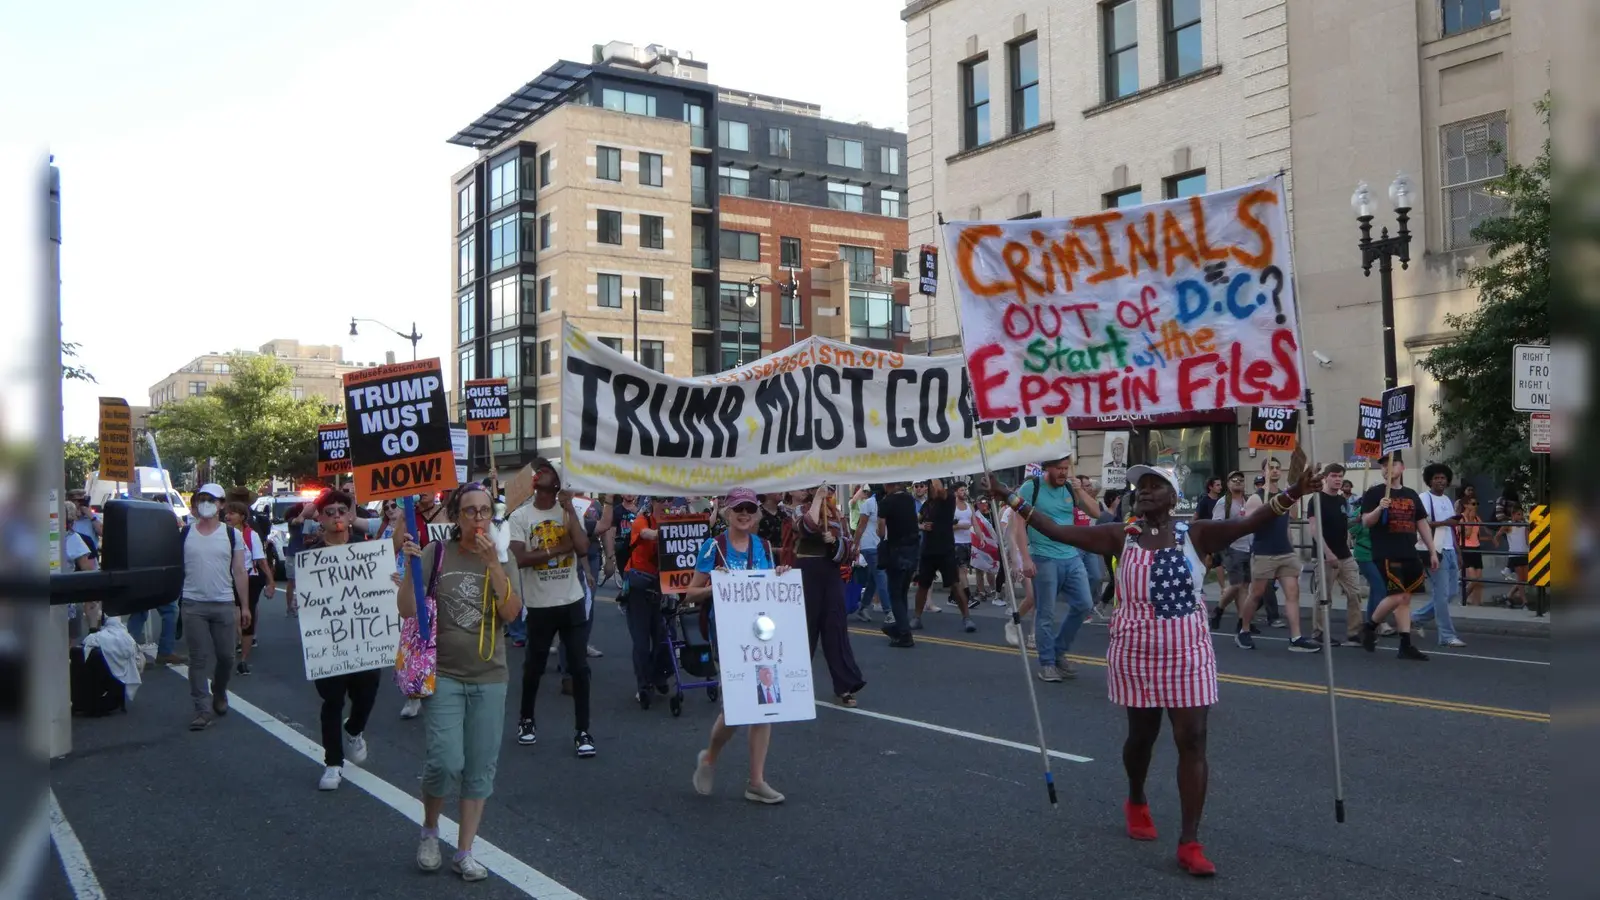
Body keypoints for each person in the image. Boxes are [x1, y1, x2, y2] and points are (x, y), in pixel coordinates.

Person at [989, 454, 1319, 877]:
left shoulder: (1196, 533)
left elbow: (1247, 524)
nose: (1143, 491)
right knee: (1141, 739)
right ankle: (1136, 797)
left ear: (1173, 497)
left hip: (1188, 650)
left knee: (1193, 738)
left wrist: (1294, 492)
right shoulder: (1118, 537)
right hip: (1136, 650)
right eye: (1139, 486)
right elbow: (1057, 530)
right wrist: (1011, 500)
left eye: (1153, 485)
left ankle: (1189, 841)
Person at [394, 483, 522, 881]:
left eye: (485, 511)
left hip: (490, 676)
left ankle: (464, 851)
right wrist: (409, 569)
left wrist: (494, 567)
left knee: (480, 767)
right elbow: (406, 610)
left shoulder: (501, 557)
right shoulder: (438, 552)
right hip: (445, 673)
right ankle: (430, 830)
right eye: (470, 511)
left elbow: (512, 614)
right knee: (445, 761)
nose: (479, 519)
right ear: (456, 515)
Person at [685, 487, 786, 804]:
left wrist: (780, 577)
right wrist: (715, 585)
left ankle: (756, 781)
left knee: (764, 705)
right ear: (727, 512)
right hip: (727, 636)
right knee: (737, 711)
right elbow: (690, 593)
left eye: (749, 509)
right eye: (738, 508)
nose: (744, 514)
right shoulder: (714, 546)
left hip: (760, 634)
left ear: (756, 513)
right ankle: (710, 757)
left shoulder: (764, 547)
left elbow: (768, 587)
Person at [507, 459, 595, 757]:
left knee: (580, 668)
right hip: (539, 605)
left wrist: (570, 509)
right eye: (539, 470)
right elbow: (521, 558)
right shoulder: (520, 516)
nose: (540, 472)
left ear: (558, 482)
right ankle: (526, 720)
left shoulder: (567, 512)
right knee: (534, 666)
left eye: (547, 470)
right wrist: (558, 548)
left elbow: (582, 548)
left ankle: (583, 731)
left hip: (571, 602)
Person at [298, 489, 386, 789]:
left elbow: (382, 586)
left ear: (351, 515)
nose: (336, 516)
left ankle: (355, 728)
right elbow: (306, 595)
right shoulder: (311, 555)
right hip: (328, 643)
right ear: (320, 519)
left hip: (365, 639)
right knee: (332, 701)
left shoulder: (369, 549)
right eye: (329, 512)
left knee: (367, 692)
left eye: (341, 510)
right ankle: (333, 764)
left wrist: (392, 583)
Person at [1011, 456, 1100, 682]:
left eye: (1065, 468)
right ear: (1047, 468)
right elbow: (1018, 525)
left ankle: (1059, 651)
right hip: (1043, 557)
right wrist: (1025, 558)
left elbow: (1096, 513)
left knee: (1084, 604)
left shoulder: (1070, 487)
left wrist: (1080, 491)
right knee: (1046, 613)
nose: (1063, 472)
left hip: (1071, 556)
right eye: (1058, 468)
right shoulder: (1032, 487)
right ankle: (1047, 663)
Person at [178, 484, 250, 731]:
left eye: (211, 499)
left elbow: (240, 571)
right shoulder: (185, 533)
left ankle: (219, 691)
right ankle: (202, 708)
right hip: (192, 604)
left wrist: (245, 606)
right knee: (197, 659)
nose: (205, 503)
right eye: (202, 499)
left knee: (226, 657)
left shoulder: (232, 535)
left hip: (223, 603)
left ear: (221, 504)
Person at [790, 485, 867, 706]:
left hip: (830, 573)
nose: (827, 492)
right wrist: (817, 500)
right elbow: (807, 526)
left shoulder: (837, 514)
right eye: (821, 488)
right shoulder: (799, 510)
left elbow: (849, 548)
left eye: (828, 489)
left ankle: (844, 686)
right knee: (805, 629)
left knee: (835, 627)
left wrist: (834, 543)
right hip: (806, 572)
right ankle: (794, 683)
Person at [1358, 453, 1439, 660]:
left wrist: (1432, 551)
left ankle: (1405, 645)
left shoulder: (1411, 494)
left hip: (1409, 552)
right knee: (1398, 595)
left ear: (1402, 468)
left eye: (1392, 464)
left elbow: (1422, 523)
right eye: (1384, 466)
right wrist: (1379, 508)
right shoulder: (1374, 493)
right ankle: (1369, 627)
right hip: (1386, 552)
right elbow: (1366, 522)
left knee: (1405, 599)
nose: (1387, 468)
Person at [1305, 465, 1365, 645]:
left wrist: (1348, 545)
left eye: (1340, 476)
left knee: (1355, 593)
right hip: (1325, 556)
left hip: (1345, 555)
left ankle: (1354, 632)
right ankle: (1319, 633)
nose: (1337, 479)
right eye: (1334, 476)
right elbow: (1314, 530)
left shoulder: (1341, 500)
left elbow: (1344, 525)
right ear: (1325, 478)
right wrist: (1328, 553)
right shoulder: (1316, 499)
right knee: (1324, 597)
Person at [1411, 463, 1465, 647]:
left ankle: (1416, 618)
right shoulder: (1424, 498)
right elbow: (1421, 524)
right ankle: (1447, 636)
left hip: (1449, 550)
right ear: (1429, 480)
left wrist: (1458, 552)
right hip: (1434, 550)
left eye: (1443, 478)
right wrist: (1445, 522)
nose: (1440, 481)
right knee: (1441, 595)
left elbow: (1451, 529)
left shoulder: (1448, 500)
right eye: (1436, 478)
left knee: (1451, 593)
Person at [223, 501, 274, 675]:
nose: (228, 516)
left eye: (233, 513)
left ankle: (243, 659)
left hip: (250, 578)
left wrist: (271, 582)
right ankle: (237, 643)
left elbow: (261, 560)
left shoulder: (250, 535)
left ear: (242, 516)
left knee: (246, 613)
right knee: (234, 615)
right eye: (227, 513)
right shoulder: (220, 534)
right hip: (226, 579)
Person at [876, 482, 921, 648]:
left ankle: (904, 634)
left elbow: (881, 531)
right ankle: (901, 626)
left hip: (896, 550)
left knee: (894, 593)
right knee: (903, 591)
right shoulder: (909, 499)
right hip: (912, 549)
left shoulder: (886, 503)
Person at [850, 486, 890, 623]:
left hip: (881, 544)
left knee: (874, 578)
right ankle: (889, 612)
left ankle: (862, 608)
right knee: (881, 576)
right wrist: (855, 544)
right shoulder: (869, 503)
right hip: (869, 545)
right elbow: (861, 525)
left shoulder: (887, 502)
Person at [1457, 496, 1488, 607]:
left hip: (1476, 548)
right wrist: (1470, 519)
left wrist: (1494, 539)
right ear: (1466, 505)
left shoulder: (1476, 518)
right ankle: (1463, 598)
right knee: (1473, 579)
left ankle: (1477, 604)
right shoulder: (1461, 518)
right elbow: (1467, 535)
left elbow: (1484, 529)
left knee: (1479, 581)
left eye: (1476, 504)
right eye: (1473, 504)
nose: (1475, 506)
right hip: (1466, 549)